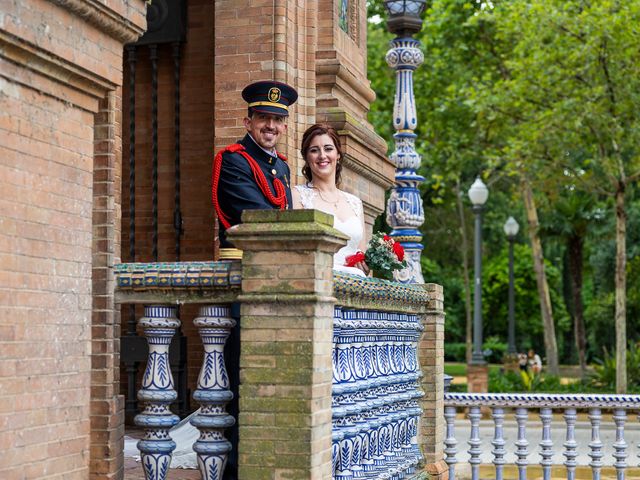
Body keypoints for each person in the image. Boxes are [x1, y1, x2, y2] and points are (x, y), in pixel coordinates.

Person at [212, 80, 298, 247]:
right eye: (263, 117)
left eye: (278, 119)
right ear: (248, 123)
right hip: (243, 262)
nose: (271, 126)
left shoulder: (282, 166)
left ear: (284, 128)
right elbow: (257, 216)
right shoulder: (233, 160)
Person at [292, 123, 368, 277]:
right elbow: (296, 249)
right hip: (318, 282)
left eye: (328, 148)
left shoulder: (355, 203)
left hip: (356, 287)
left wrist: (365, 265)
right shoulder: (298, 196)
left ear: (338, 154)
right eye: (314, 150)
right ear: (306, 157)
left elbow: (363, 258)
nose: (322, 155)